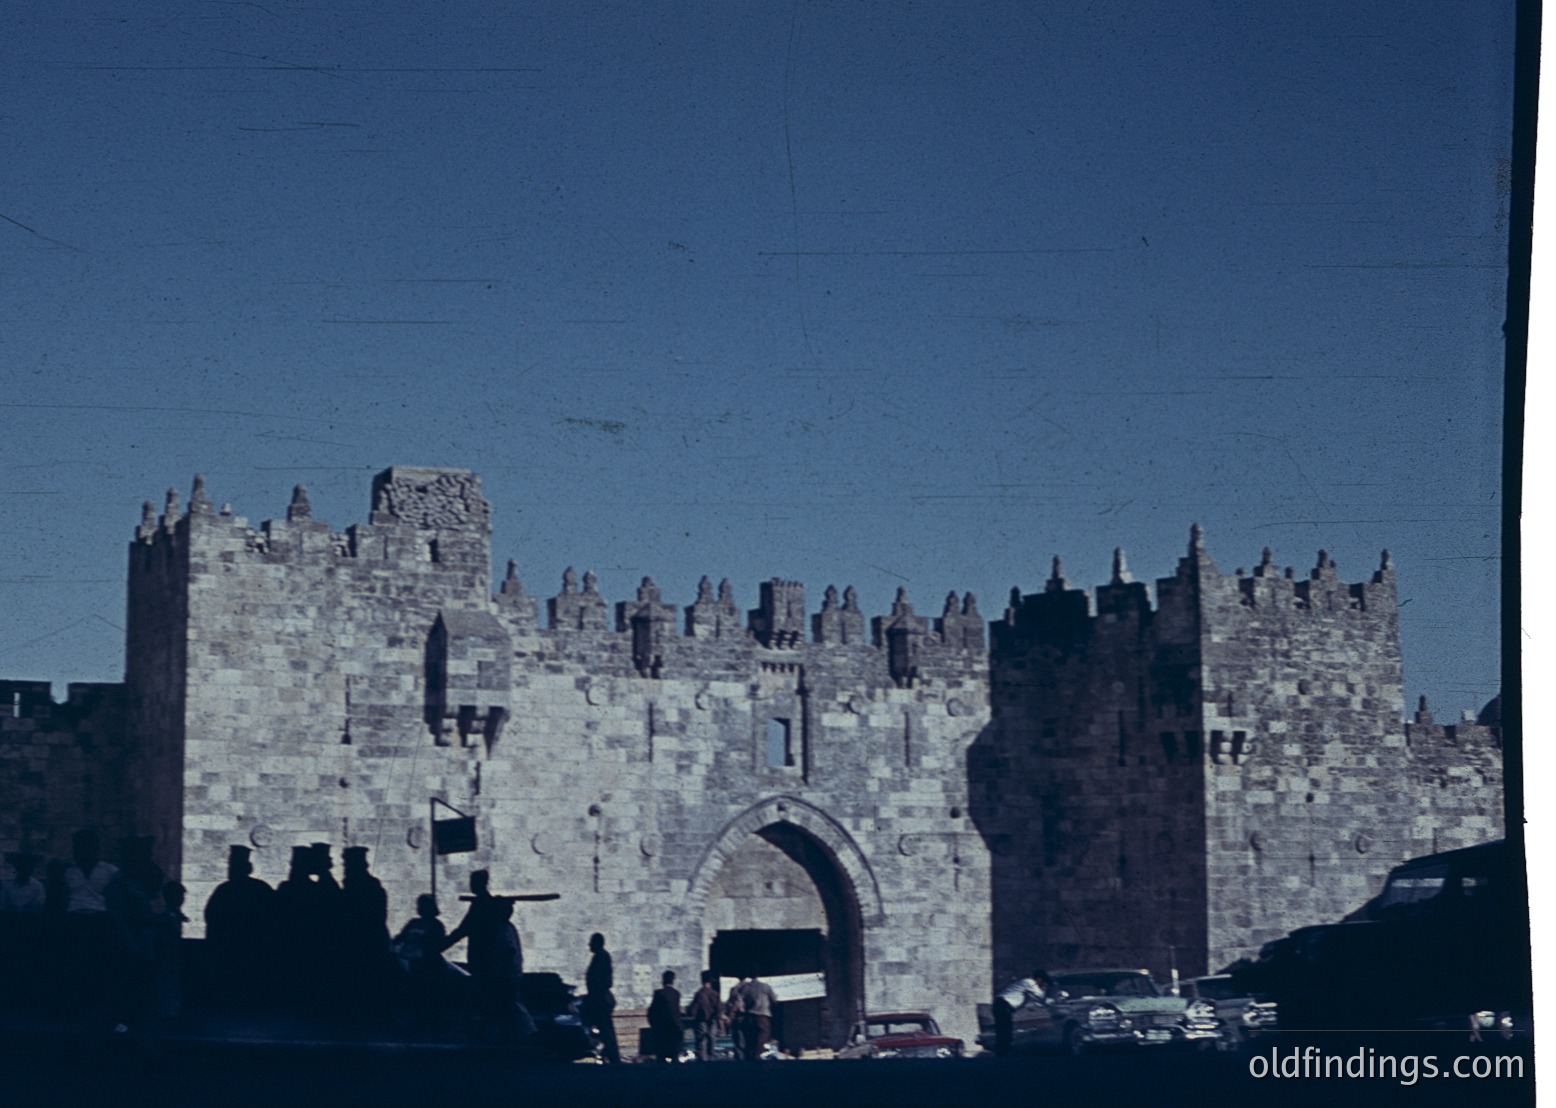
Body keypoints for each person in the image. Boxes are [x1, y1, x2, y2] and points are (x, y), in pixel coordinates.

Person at [992, 969, 1052, 1056]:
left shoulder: (1027, 986)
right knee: (1005, 1030)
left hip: (1002, 1006)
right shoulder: (1029, 982)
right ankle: (1002, 1054)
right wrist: (1049, 994)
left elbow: (1039, 1001)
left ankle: (1002, 1052)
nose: (1043, 985)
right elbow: (1041, 996)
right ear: (1039, 979)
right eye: (1043, 982)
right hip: (1003, 1005)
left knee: (1004, 1030)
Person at [581, 932, 620, 1063]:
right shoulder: (600, 956)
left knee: (605, 1029)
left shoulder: (601, 957)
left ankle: (612, 1056)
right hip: (599, 998)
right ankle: (610, 1055)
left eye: (592, 942)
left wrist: (594, 992)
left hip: (600, 999)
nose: (589, 945)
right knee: (605, 1029)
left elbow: (602, 980)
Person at [739, 971, 778, 1060]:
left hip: (749, 1017)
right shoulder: (765, 987)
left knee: (750, 1039)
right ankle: (757, 1057)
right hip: (762, 1016)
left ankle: (750, 1057)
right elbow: (774, 1000)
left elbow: (740, 1003)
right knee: (762, 1038)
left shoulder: (745, 988)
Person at [646, 970, 683, 1063]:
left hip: (662, 1028)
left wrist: (653, 1024)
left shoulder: (659, 993)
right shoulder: (676, 994)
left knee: (661, 1057)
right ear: (673, 981)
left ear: (663, 980)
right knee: (674, 1057)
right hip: (675, 1027)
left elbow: (652, 1010)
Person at [686, 970, 722, 1061]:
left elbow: (693, 1009)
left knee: (701, 1044)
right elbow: (719, 1010)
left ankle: (703, 1063)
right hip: (712, 1021)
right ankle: (711, 1061)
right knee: (712, 1042)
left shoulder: (699, 994)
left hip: (701, 1021)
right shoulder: (715, 994)